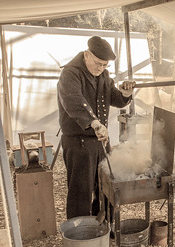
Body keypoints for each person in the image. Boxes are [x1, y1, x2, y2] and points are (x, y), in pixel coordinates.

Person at [57, 36, 135, 219]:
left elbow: (114, 98)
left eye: (105, 65)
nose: (101, 69)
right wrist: (94, 123)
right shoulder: (70, 73)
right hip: (79, 143)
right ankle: (81, 234)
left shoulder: (104, 76)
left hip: (101, 142)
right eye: (98, 64)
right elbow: (73, 100)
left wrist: (125, 93)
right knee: (81, 191)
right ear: (86, 55)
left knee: (105, 186)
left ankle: (105, 226)